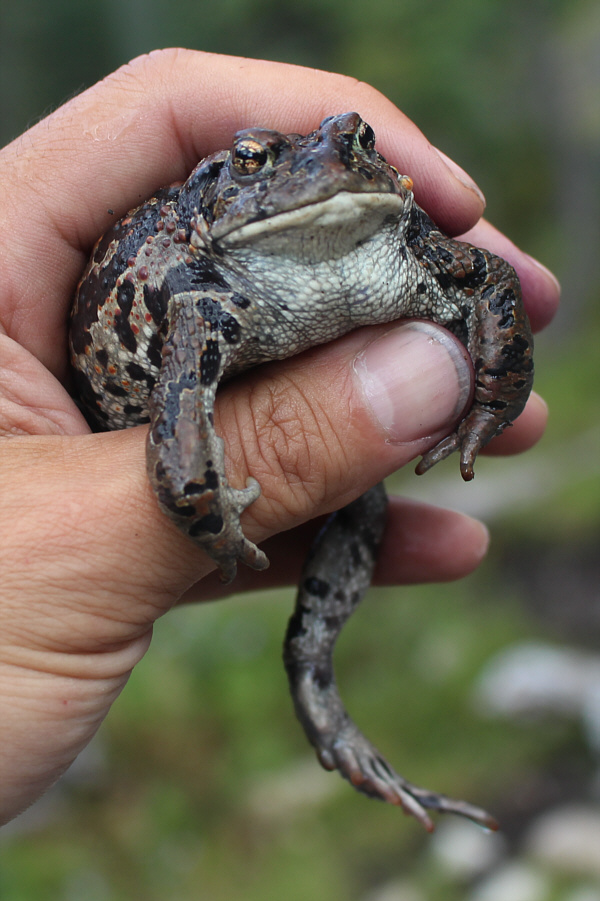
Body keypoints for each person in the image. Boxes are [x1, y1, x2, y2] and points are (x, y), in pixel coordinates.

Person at [0, 49, 559, 826]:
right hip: (112, 403)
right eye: (257, 161)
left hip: (325, 305)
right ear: (221, 188)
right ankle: (330, 720)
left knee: (363, 511)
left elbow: (494, 284)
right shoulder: (200, 289)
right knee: (350, 505)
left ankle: (320, 701)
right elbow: (181, 450)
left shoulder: (402, 245)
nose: (324, 171)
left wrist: (490, 400)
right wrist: (207, 516)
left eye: (356, 149)